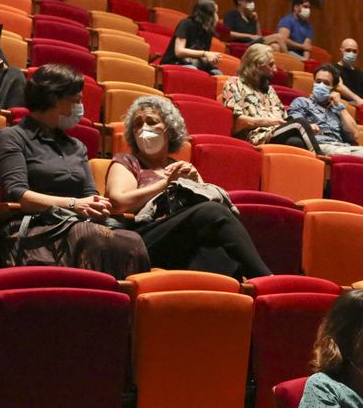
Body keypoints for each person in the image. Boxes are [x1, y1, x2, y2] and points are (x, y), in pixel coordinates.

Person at [0, 64, 149, 276]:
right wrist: (74, 204)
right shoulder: (12, 137)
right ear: (55, 99)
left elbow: (89, 194)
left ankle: (117, 305)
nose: (80, 106)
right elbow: (18, 194)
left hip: (74, 223)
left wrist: (96, 204)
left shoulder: (76, 147)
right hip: (31, 227)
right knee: (91, 237)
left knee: (133, 239)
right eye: (76, 100)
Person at [105, 95, 272, 278]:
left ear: (169, 130)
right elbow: (117, 202)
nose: (144, 128)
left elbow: (201, 206)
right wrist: (164, 184)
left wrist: (196, 181)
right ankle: (265, 280)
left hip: (183, 241)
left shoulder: (180, 167)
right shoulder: (128, 161)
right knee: (212, 212)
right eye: (138, 124)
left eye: (152, 122)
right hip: (145, 237)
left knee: (225, 260)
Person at [220, 44, 318, 152]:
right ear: (256, 66)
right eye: (270, 65)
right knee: (301, 123)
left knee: (296, 141)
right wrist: (270, 121)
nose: (275, 69)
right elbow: (238, 123)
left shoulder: (269, 90)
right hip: (255, 136)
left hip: (277, 133)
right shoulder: (234, 83)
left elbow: (284, 120)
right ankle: (322, 159)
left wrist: (305, 127)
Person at [286, 66, 363, 164]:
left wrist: (340, 106)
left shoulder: (337, 109)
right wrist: (308, 127)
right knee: (347, 156)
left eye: (326, 83)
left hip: (343, 147)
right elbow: (295, 122)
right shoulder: (302, 102)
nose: (321, 85)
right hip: (319, 145)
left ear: (333, 88)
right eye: (318, 81)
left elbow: (354, 134)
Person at [163, 0, 222, 73]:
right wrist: (205, 54)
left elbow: (200, 56)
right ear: (207, 15)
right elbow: (179, 52)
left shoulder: (208, 31)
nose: (217, 17)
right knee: (192, 70)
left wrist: (211, 59)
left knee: (217, 73)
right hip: (175, 62)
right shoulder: (186, 24)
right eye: (215, 13)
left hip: (194, 64)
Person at [328, 38, 363, 107]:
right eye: (348, 50)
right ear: (341, 51)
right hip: (346, 103)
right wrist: (358, 100)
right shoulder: (333, 68)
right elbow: (339, 86)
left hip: (360, 102)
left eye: (354, 51)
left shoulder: (359, 72)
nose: (351, 53)